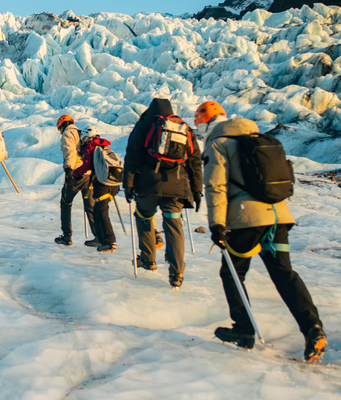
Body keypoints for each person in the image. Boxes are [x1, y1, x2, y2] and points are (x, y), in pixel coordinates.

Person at [195, 100, 327, 362]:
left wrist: (216, 224)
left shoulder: (218, 143)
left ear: (205, 123)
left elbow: (215, 186)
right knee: (284, 274)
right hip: (278, 217)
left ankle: (244, 330)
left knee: (232, 273)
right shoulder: (257, 137)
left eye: (198, 124)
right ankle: (313, 328)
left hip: (246, 218)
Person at [123, 98, 202, 288]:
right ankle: (176, 273)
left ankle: (148, 259)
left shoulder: (144, 125)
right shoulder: (183, 127)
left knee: (144, 216)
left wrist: (128, 185)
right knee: (173, 224)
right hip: (177, 186)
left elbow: (132, 156)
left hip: (149, 184)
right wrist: (197, 190)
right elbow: (195, 161)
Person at [72, 126, 119, 253]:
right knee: (98, 211)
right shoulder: (105, 147)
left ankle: (109, 241)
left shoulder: (91, 147)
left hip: (101, 185)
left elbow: (86, 165)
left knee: (102, 213)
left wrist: (75, 173)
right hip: (114, 185)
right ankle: (101, 239)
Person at [54, 114, 97, 246]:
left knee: (66, 201)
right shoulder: (81, 133)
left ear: (63, 125)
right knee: (90, 206)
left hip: (76, 173)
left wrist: (68, 170)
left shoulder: (68, 134)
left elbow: (69, 152)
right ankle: (99, 236)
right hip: (88, 173)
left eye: (60, 128)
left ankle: (67, 236)